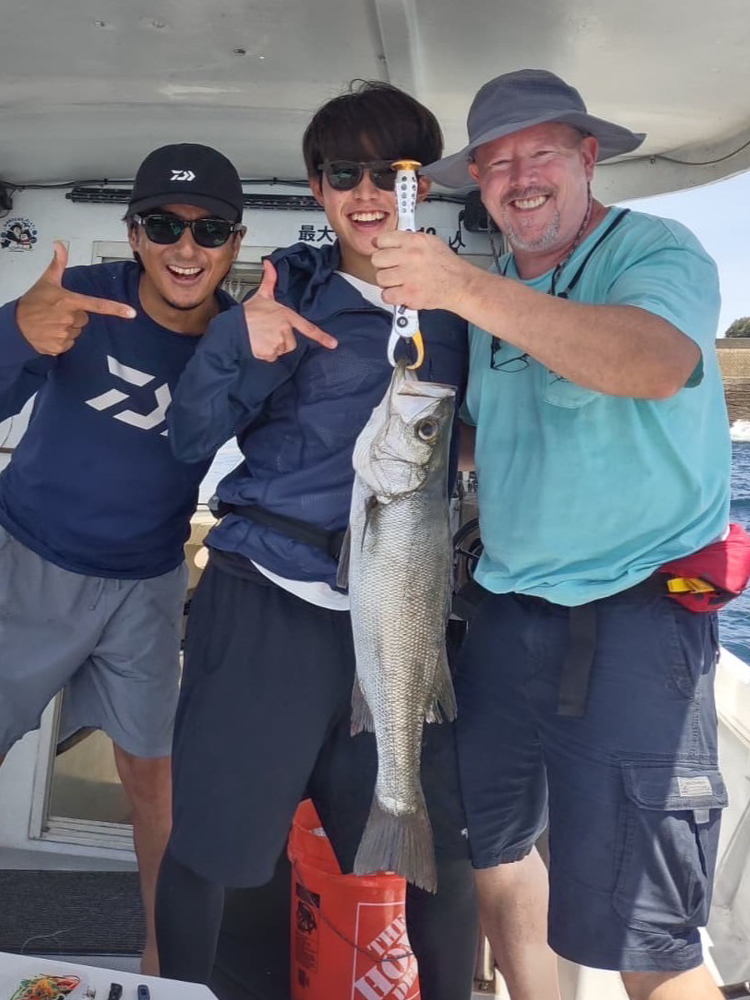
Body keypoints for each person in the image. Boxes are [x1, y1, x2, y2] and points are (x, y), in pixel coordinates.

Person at [369, 69, 732, 1000]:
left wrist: (458, 286)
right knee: (498, 854)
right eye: (496, 164)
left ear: (588, 157)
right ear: (480, 185)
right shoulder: (493, 292)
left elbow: (653, 362)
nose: (520, 178)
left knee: (647, 930)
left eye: (541, 153)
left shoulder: (654, 250)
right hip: (505, 613)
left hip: (633, 619)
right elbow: (482, 440)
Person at [157, 81, 478, 1000]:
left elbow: (495, 438)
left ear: (422, 184)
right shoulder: (285, 292)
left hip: (404, 608)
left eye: (389, 172)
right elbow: (190, 437)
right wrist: (237, 339)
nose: (366, 193)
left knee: (438, 861)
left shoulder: (466, 304)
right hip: (269, 602)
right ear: (316, 187)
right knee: (219, 850)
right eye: (344, 174)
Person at [0, 141, 246, 973]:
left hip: (147, 584)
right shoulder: (79, 298)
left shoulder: (242, 339)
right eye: (163, 226)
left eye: (209, 229)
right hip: (29, 561)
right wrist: (16, 332)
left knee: (154, 780)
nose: (186, 247)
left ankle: (162, 964)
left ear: (235, 244)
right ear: (134, 234)